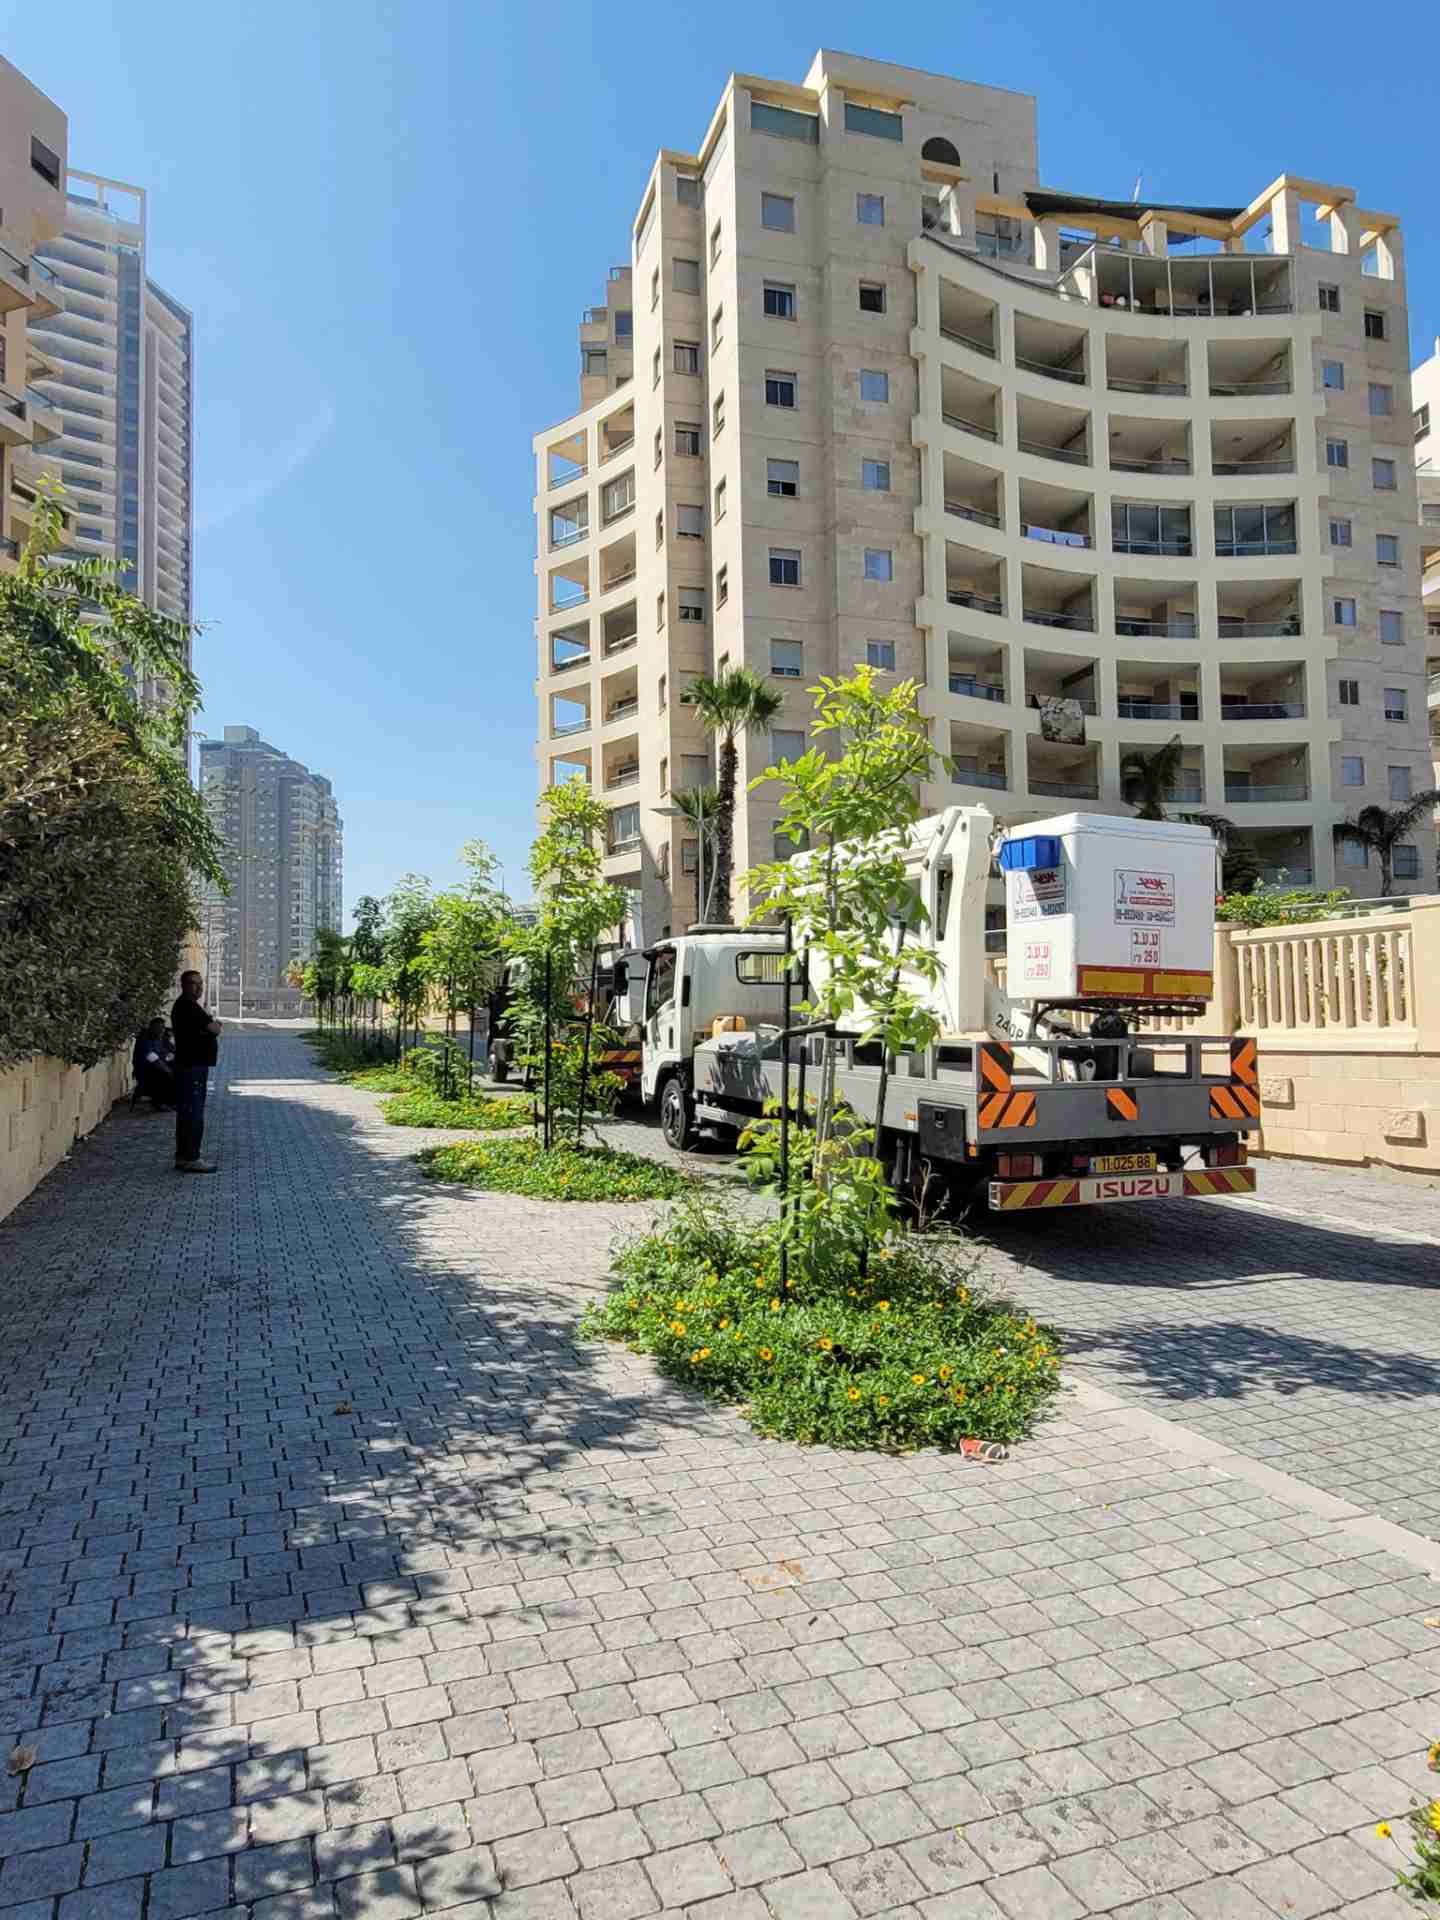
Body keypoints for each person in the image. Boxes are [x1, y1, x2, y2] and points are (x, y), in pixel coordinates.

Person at [170, 970, 222, 1172]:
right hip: (191, 1067)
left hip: (191, 1066)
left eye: (201, 983)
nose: (199, 988)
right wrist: (214, 1025)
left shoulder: (188, 1006)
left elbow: (208, 1029)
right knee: (193, 1113)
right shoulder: (188, 1006)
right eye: (194, 984)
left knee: (187, 1112)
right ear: (183, 985)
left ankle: (184, 1156)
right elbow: (214, 1029)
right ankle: (191, 1157)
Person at [132, 1019, 176, 1109]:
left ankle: (172, 1101)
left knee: (177, 1068)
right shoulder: (144, 1039)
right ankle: (159, 1102)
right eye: (159, 1028)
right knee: (163, 1073)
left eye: (163, 1028)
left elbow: (169, 1051)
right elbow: (152, 1058)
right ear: (152, 1028)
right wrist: (167, 1069)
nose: (162, 1030)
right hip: (145, 1070)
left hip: (156, 1066)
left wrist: (170, 1055)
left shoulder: (159, 1038)